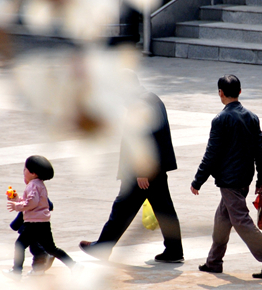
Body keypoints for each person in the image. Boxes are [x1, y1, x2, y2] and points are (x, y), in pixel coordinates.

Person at [79, 76, 184, 263]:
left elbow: (145, 138)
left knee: (122, 209)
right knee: (163, 210)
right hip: (155, 168)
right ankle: (174, 250)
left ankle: (102, 247)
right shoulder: (150, 98)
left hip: (143, 171)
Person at [191, 75, 262, 279]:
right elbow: (261, 150)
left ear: (220, 93)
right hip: (244, 179)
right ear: (240, 91)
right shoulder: (252, 117)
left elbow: (211, 154)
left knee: (241, 221)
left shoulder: (220, 120)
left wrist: (198, 180)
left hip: (229, 181)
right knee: (222, 220)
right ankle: (213, 262)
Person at [5, 155, 79, 278]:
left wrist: (16, 206)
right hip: (41, 222)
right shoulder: (38, 184)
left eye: (25, 169)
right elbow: (31, 201)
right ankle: (74, 266)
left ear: (33, 173)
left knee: (20, 245)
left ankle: (17, 272)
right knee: (51, 248)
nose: (24, 171)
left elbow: (32, 203)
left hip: (34, 223)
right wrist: (17, 199)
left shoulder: (33, 185)